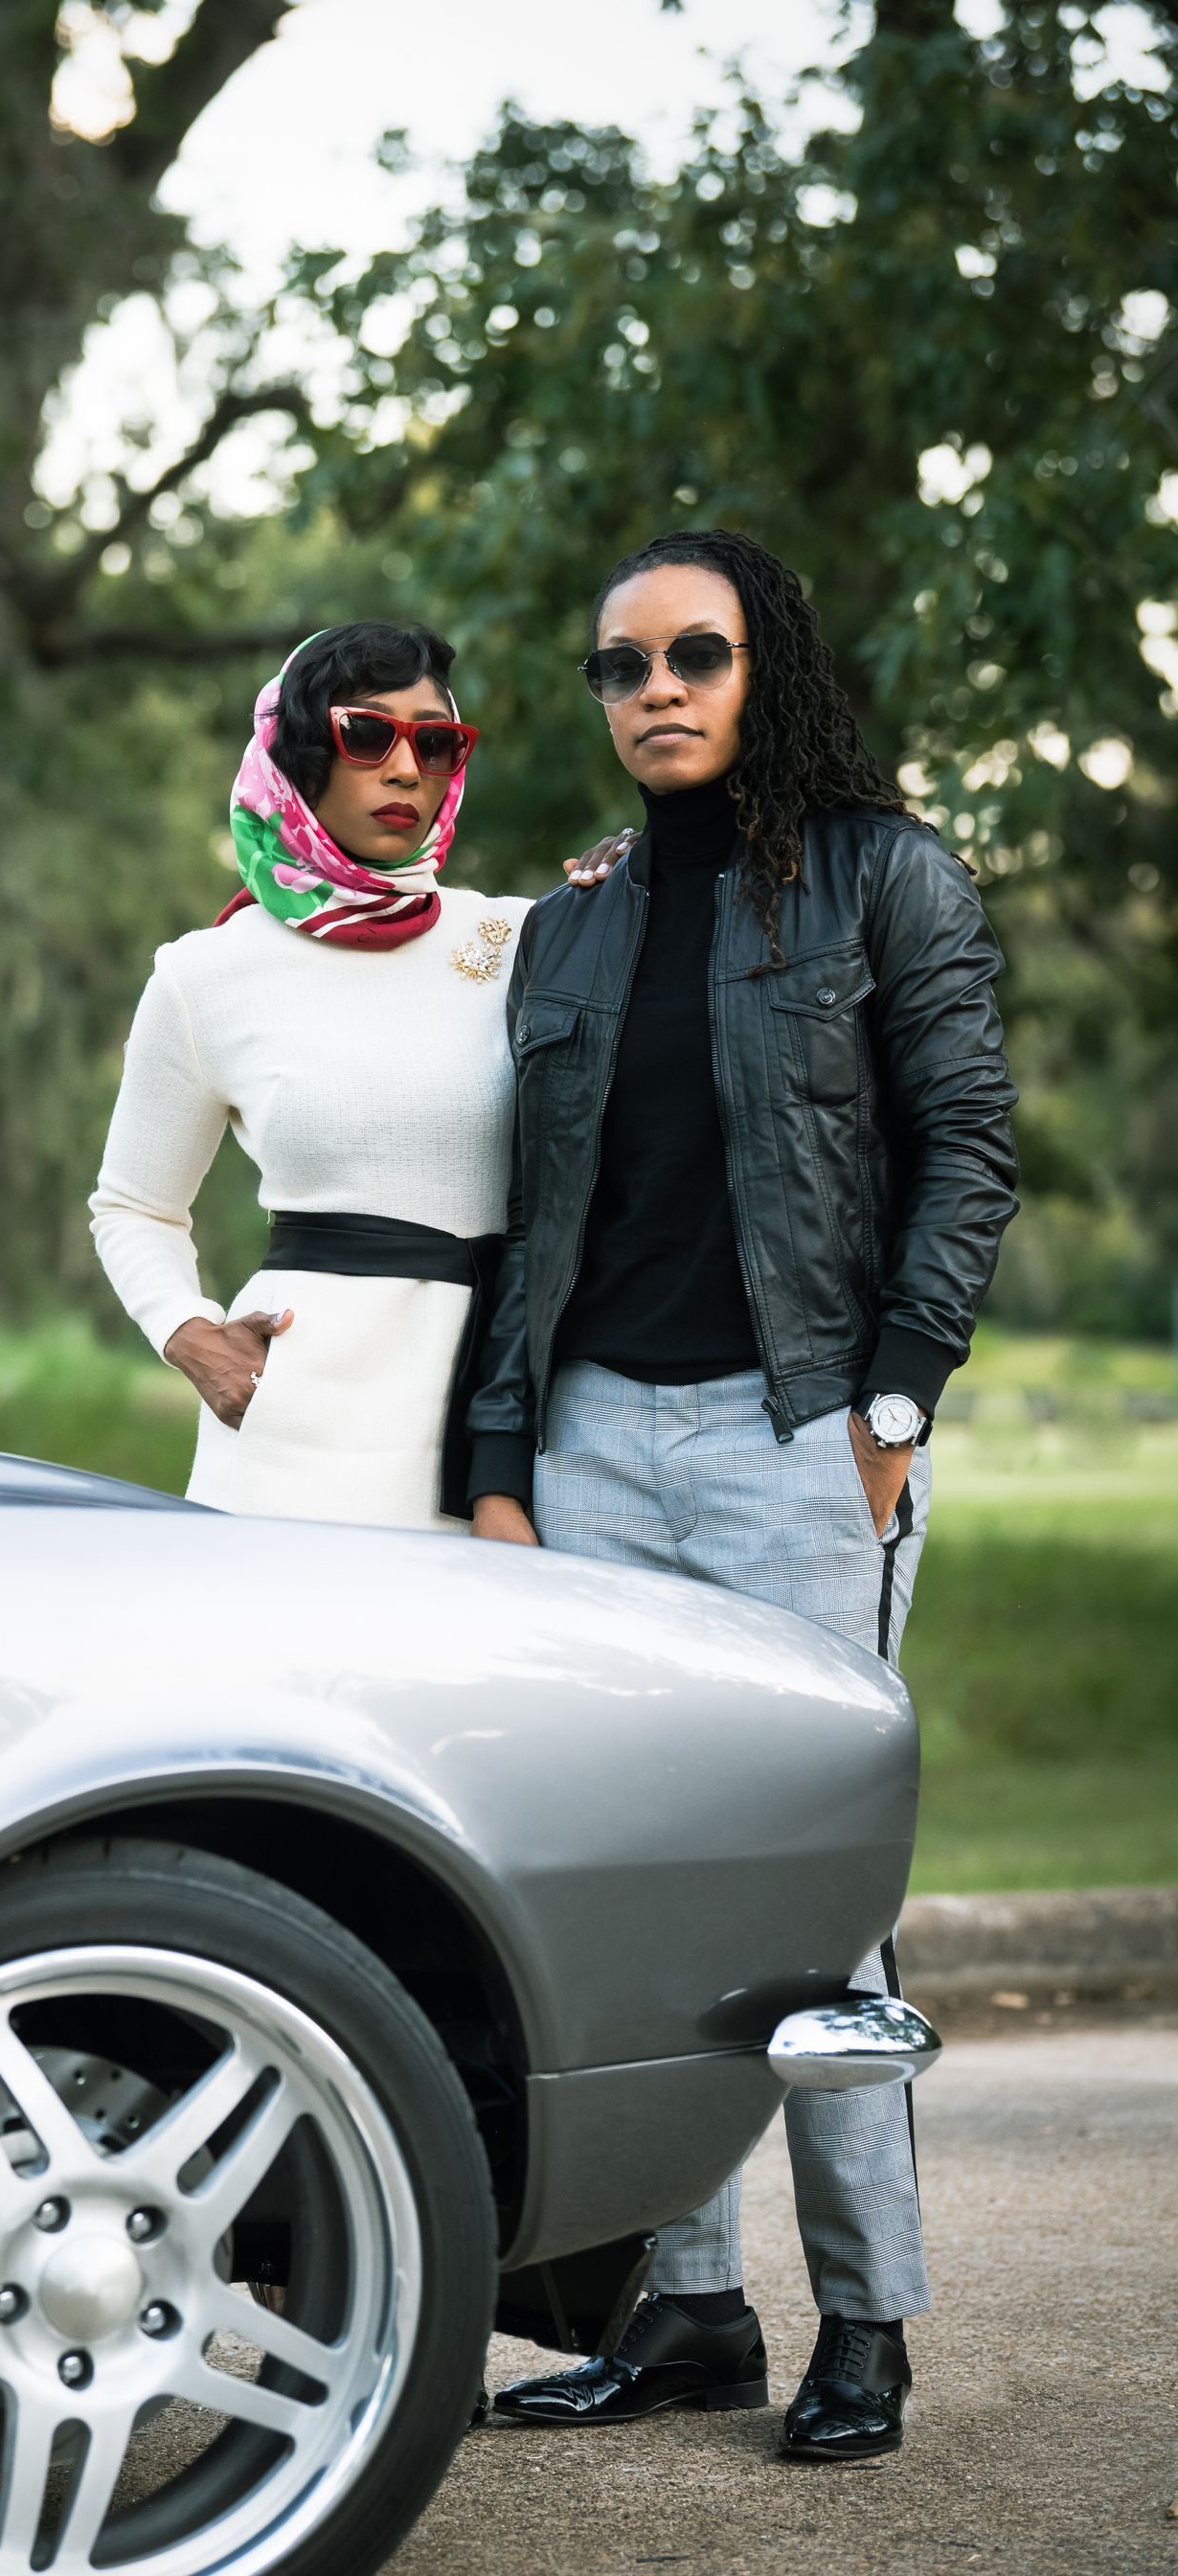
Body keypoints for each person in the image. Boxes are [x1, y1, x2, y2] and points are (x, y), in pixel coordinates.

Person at [469, 529, 1018, 2460]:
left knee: (818, 1912)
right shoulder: (573, 924)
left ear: (764, 665)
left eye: (695, 654)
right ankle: (689, 2307)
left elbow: (968, 1150)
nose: (659, 692)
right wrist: (504, 1460)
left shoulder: (890, 877)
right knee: (636, 1899)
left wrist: (893, 1393)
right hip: (598, 1444)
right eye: (621, 667)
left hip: (803, 1442)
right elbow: (531, 1223)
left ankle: (865, 2321)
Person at [90, 621, 628, 1532]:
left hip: (493, 1421)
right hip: (293, 1428)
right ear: (299, 752)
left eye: (436, 741)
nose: (406, 768)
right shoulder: (207, 973)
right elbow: (133, 1207)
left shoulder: (518, 937)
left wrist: (617, 916)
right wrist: (190, 1335)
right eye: (367, 733)